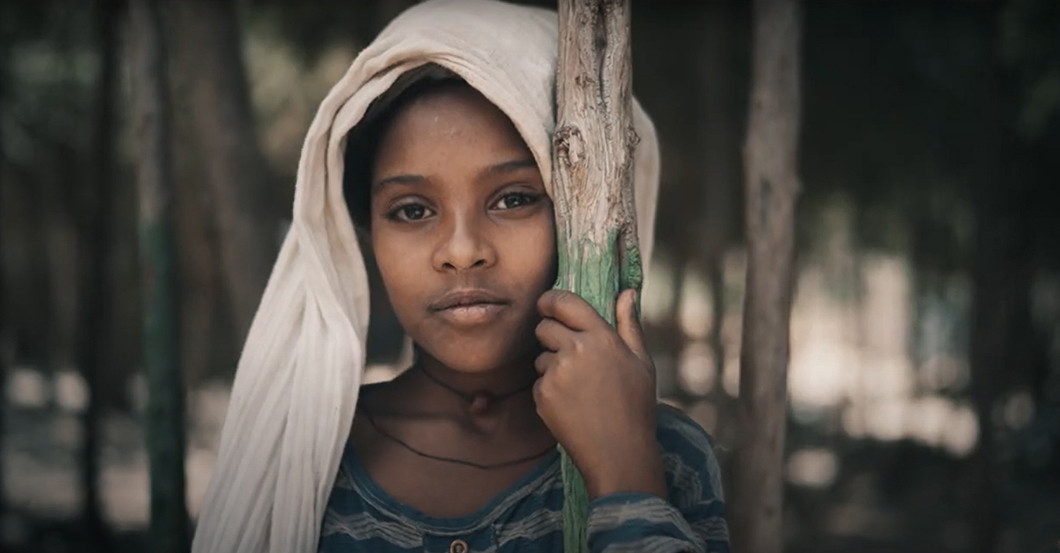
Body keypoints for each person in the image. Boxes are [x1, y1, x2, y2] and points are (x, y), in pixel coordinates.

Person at [192, 1, 729, 552]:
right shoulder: (303, 452)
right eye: (412, 210)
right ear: (364, 236)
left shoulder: (664, 453)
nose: (462, 251)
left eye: (514, 199)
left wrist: (624, 478)